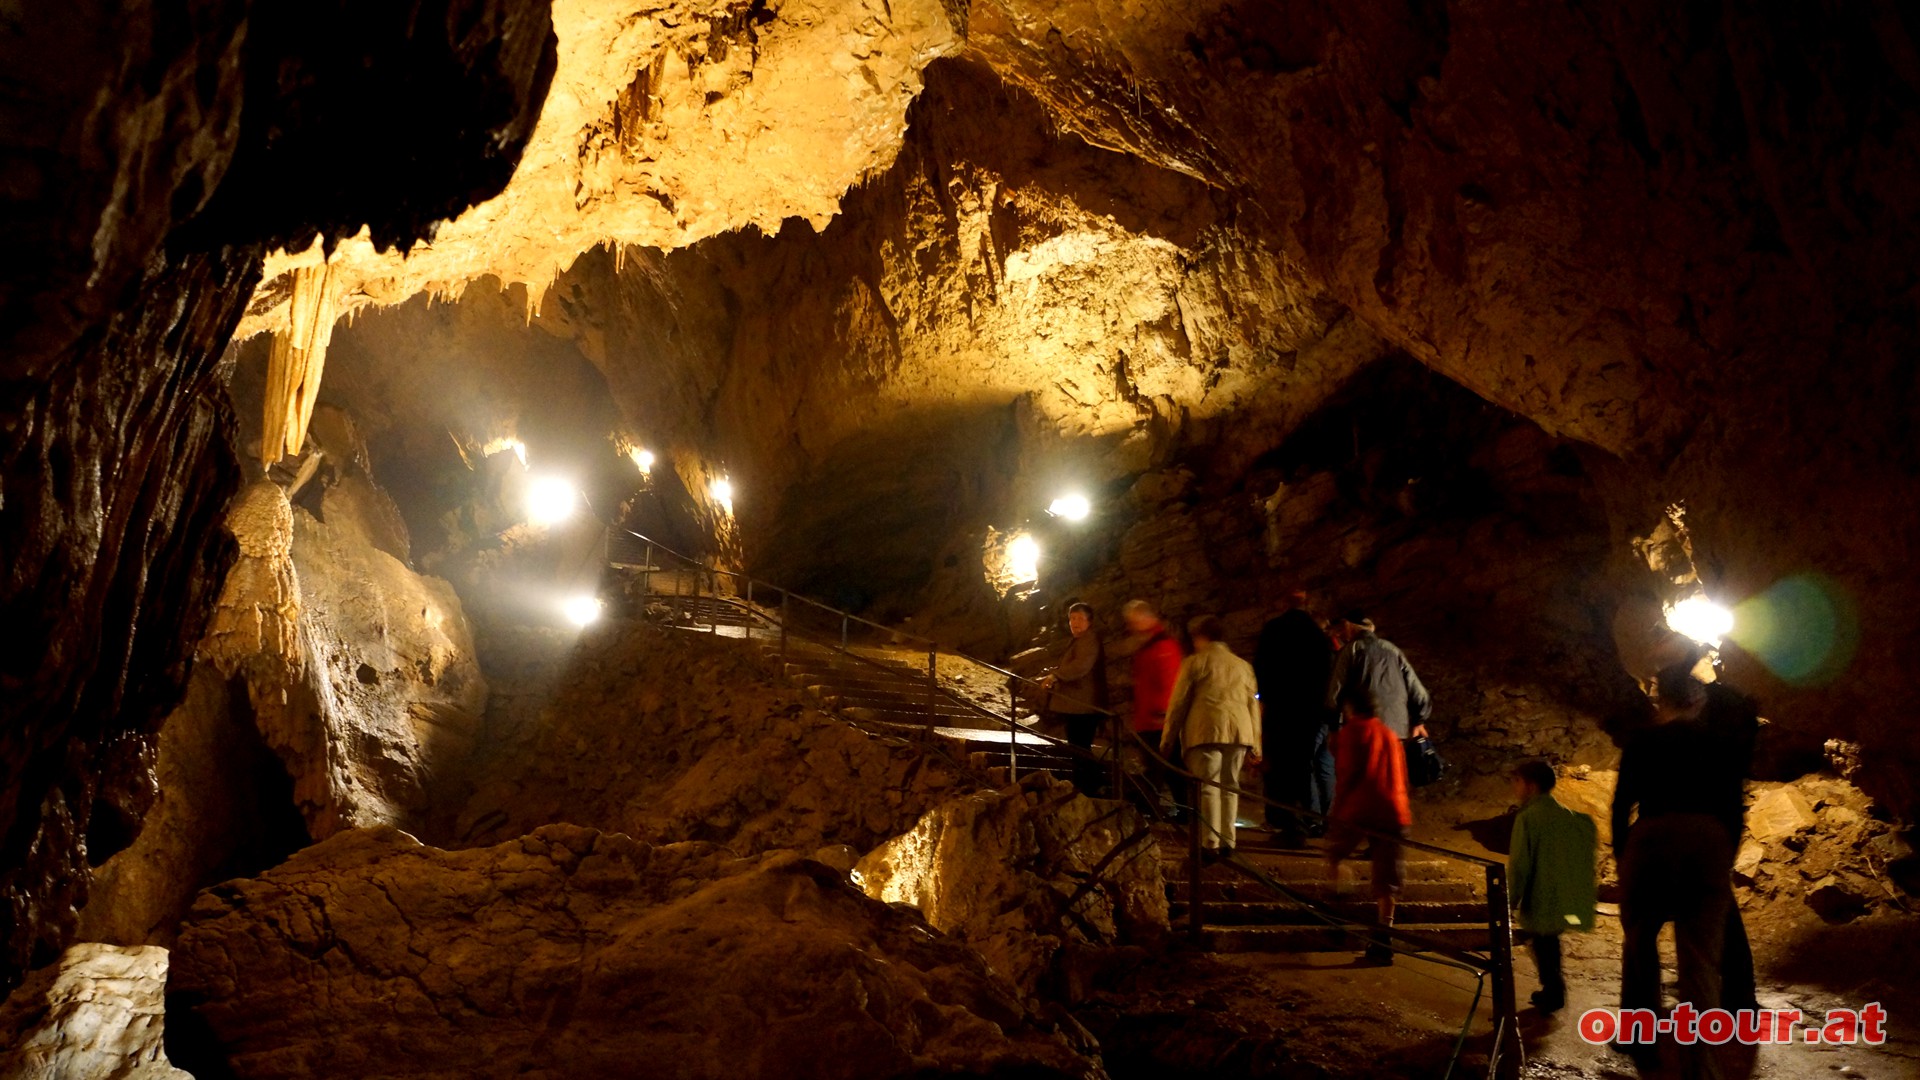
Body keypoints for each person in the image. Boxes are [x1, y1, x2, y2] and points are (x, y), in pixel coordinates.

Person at [1611, 672, 1745, 1066]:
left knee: (1639, 941)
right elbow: (1735, 808)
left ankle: (1641, 1038)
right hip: (1707, 839)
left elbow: (1622, 805)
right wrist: (1725, 856)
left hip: (1653, 836)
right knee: (1700, 956)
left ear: (1660, 701)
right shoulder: (1720, 745)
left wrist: (1624, 854)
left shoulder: (1642, 740)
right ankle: (1700, 1061)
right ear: (1698, 701)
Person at [1658, 662, 1762, 1014]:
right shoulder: (1730, 733)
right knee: (1714, 903)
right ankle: (1730, 988)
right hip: (1721, 821)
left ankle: (1733, 993)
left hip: (1706, 825)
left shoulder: (1707, 734)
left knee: (1711, 906)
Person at [1160, 615, 1261, 858]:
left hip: (1205, 730)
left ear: (1201, 637)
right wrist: (1256, 744)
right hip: (1239, 732)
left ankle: (1210, 842)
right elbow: (1252, 705)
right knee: (1230, 785)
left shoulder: (1195, 663)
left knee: (1208, 786)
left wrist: (1167, 738)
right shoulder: (1242, 666)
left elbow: (1179, 703)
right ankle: (1229, 841)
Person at [1325, 688, 1412, 965]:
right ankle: (1383, 938)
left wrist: (1336, 812)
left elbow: (1348, 774)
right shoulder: (1389, 735)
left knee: (1336, 855)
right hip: (1394, 810)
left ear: (1352, 709)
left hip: (1362, 807)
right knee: (1387, 879)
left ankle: (1338, 909)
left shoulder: (1353, 731)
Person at [1508, 759, 1597, 1014]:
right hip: (1561, 895)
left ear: (1531, 786)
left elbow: (1520, 865)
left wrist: (1510, 899)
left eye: (1517, 781)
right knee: (1549, 944)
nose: (1514, 787)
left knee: (1544, 947)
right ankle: (1553, 990)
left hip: (1540, 896)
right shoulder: (1566, 816)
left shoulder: (1527, 818)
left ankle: (1553, 992)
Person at [1254, 590, 1336, 846]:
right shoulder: (1317, 635)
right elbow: (1328, 673)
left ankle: (1288, 824)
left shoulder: (1274, 629)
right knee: (1303, 766)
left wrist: (1264, 701)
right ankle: (1306, 821)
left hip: (1281, 709)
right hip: (1309, 711)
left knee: (1279, 767)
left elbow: (1261, 669)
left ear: (1284, 603)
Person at [1118, 599, 1184, 813]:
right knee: (1163, 768)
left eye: (1134, 621)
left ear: (1147, 618)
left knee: (1166, 768)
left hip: (1158, 719)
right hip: (1149, 717)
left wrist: (1162, 711)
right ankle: (1172, 810)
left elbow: (1169, 680)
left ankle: (1158, 810)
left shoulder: (1162, 646)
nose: (1131, 626)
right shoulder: (1148, 645)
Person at [1325, 612, 1432, 743]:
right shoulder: (1393, 650)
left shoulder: (1350, 650)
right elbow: (1418, 691)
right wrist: (1419, 721)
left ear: (1348, 625)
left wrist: (1333, 727)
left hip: (1364, 730)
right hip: (1396, 733)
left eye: (1341, 629)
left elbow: (1335, 691)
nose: (1340, 634)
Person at [1042, 601, 1108, 795]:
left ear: (1090, 621)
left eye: (1080, 618)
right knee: (1078, 748)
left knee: (1080, 748)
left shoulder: (1089, 640)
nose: (1074, 622)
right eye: (1072, 618)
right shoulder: (1080, 640)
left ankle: (1089, 788)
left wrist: (1056, 675)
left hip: (1083, 706)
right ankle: (1087, 786)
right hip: (1077, 706)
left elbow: (1081, 666)